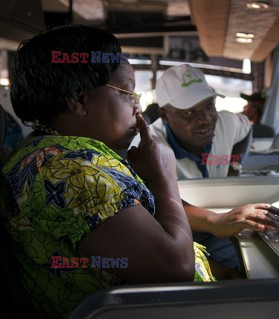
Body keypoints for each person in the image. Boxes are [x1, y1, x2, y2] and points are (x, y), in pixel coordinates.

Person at [1, 25, 214, 318]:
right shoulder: (74, 171)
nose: (138, 107)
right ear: (78, 101)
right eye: (126, 92)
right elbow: (174, 269)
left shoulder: (49, 153)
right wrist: (164, 178)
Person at [130, 64, 279, 274]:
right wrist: (216, 221)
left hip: (216, 221)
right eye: (189, 112)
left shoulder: (226, 123)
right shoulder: (147, 145)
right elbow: (155, 204)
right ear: (165, 114)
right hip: (178, 230)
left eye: (209, 106)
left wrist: (234, 166)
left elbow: (246, 129)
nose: (205, 118)